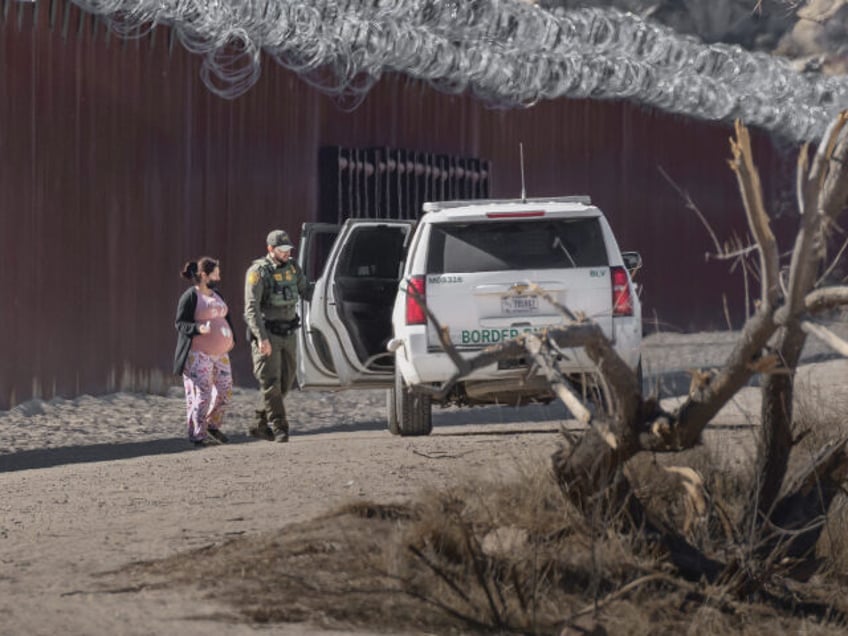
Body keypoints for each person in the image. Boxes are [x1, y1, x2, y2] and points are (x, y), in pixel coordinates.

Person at [244, 230, 307, 442]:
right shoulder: (258, 272)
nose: (286, 253)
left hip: (289, 333)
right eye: (282, 250)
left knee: (287, 381)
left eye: (288, 249)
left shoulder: (293, 268)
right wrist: (261, 338)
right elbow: (251, 308)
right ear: (270, 249)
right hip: (268, 334)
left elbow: (305, 289)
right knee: (271, 383)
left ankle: (258, 422)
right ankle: (280, 427)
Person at [173, 257, 236, 447]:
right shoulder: (191, 296)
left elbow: (227, 319)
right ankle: (197, 435)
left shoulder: (217, 295)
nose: (218, 276)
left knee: (226, 391)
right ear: (203, 275)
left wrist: (232, 339)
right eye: (215, 273)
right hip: (198, 353)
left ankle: (212, 425)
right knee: (203, 393)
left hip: (221, 354)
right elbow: (180, 323)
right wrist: (198, 329)